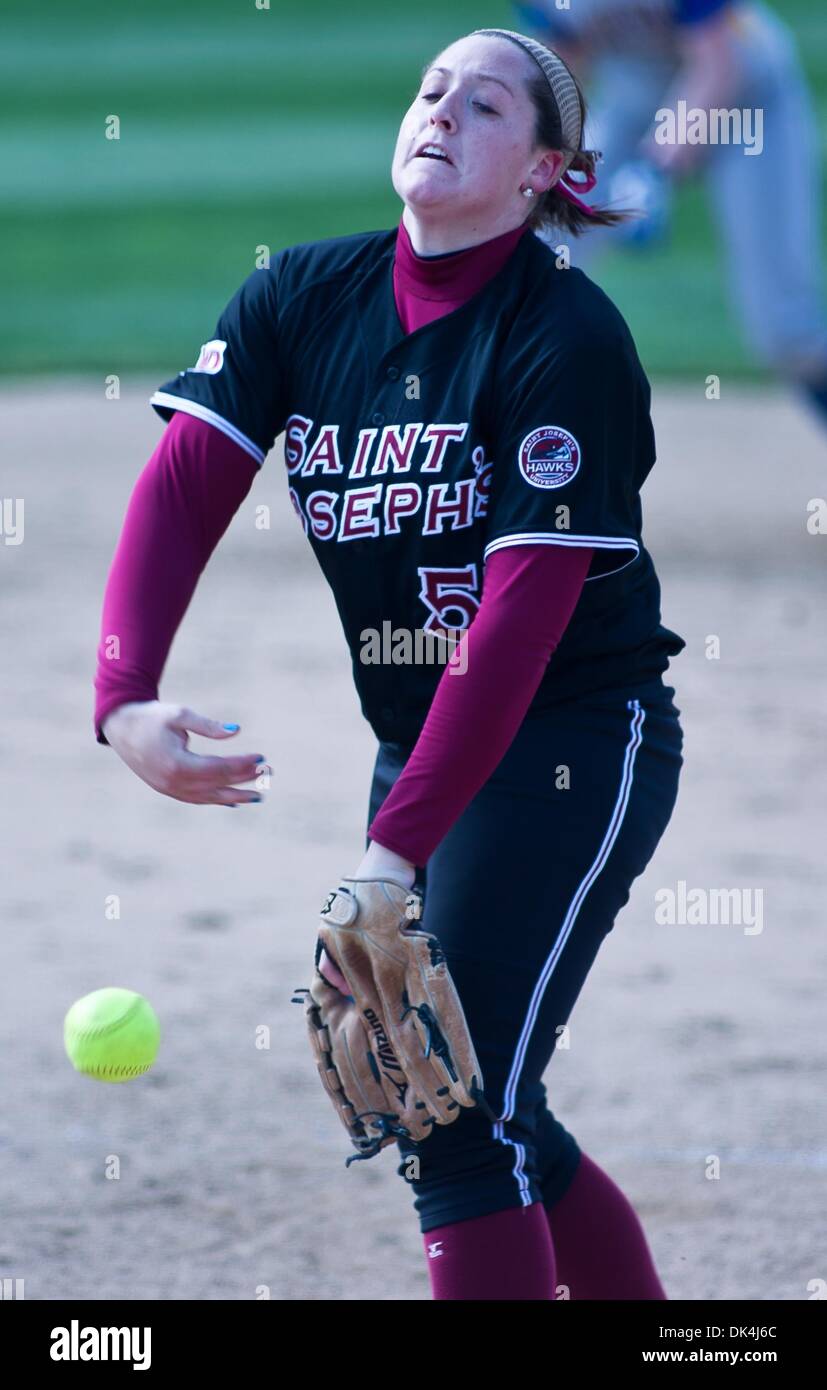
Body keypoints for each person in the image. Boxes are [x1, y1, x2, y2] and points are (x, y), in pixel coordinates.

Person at [94, 27, 685, 1301]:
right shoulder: (303, 295)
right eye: (430, 93)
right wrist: (122, 696)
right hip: (424, 743)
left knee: (451, 1107)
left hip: (574, 739)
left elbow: (516, 630)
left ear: (541, 171)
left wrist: (392, 850)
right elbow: (185, 487)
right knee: (472, 1097)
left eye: (483, 107)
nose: (439, 114)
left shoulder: (561, 338)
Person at [514, 0, 827, 429]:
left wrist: (654, 169)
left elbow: (719, 66)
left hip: (751, 107)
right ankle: (488, 447)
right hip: (633, 109)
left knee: (787, 331)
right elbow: (564, 64)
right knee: (532, 262)